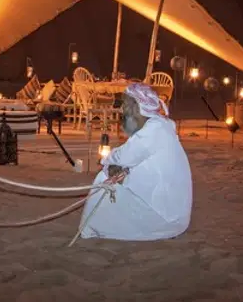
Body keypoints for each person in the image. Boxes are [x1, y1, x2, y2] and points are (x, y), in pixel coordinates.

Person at [76, 82, 193, 241]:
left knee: (104, 180)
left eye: (126, 104)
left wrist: (107, 163)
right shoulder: (160, 125)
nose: (122, 110)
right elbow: (131, 157)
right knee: (117, 176)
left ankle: (93, 230)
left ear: (137, 108)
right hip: (173, 213)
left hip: (167, 219)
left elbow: (122, 156)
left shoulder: (154, 130)